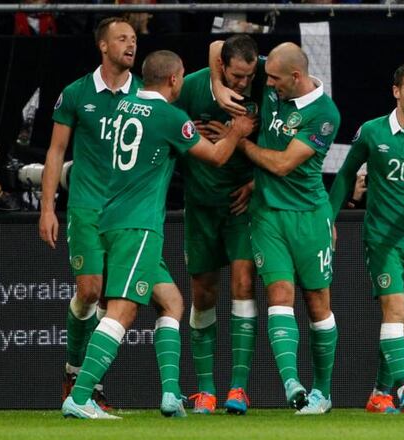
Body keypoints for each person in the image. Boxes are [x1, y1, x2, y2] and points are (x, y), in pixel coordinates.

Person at [61, 50, 254, 419]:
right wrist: (237, 132)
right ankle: (81, 395)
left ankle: (170, 394)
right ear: (174, 80)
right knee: (123, 310)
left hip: (108, 217)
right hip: (138, 226)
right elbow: (215, 156)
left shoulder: (121, 108)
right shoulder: (169, 116)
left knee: (171, 302)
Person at [328, 61, 404, 414]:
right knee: (394, 309)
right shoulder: (372, 131)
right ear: (396, 91)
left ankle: (379, 394)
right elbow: (345, 174)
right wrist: (329, 218)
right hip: (382, 237)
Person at [39, 17, 143, 410]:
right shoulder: (76, 93)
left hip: (129, 212)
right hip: (86, 207)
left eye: (133, 39)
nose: (130, 45)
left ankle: (90, 386)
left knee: (112, 301)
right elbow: (55, 153)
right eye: (122, 39)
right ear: (103, 46)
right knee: (89, 292)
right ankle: (72, 369)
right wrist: (48, 207)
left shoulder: (146, 95)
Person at [238, 42, 341, 415]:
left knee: (318, 303)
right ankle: (291, 384)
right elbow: (220, 47)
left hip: (310, 215)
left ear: (296, 77)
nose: (266, 84)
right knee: (279, 293)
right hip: (268, 214)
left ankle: (323, 392)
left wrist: (242, 142)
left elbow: (282, 164)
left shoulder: (325, 114)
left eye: (274, 79)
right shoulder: (273, 76)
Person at [175, 34, 263, 415]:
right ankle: (206, 390)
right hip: (200, 206)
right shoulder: (194, 86)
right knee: (203, 293)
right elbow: (163, 122)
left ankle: (238, 388)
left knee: (244, 284)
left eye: (250, 76)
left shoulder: (263, 100)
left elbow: (280, 145)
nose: (244, 83)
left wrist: (257, 182)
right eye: (237, 75)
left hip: (241, 208)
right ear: (222, 67)